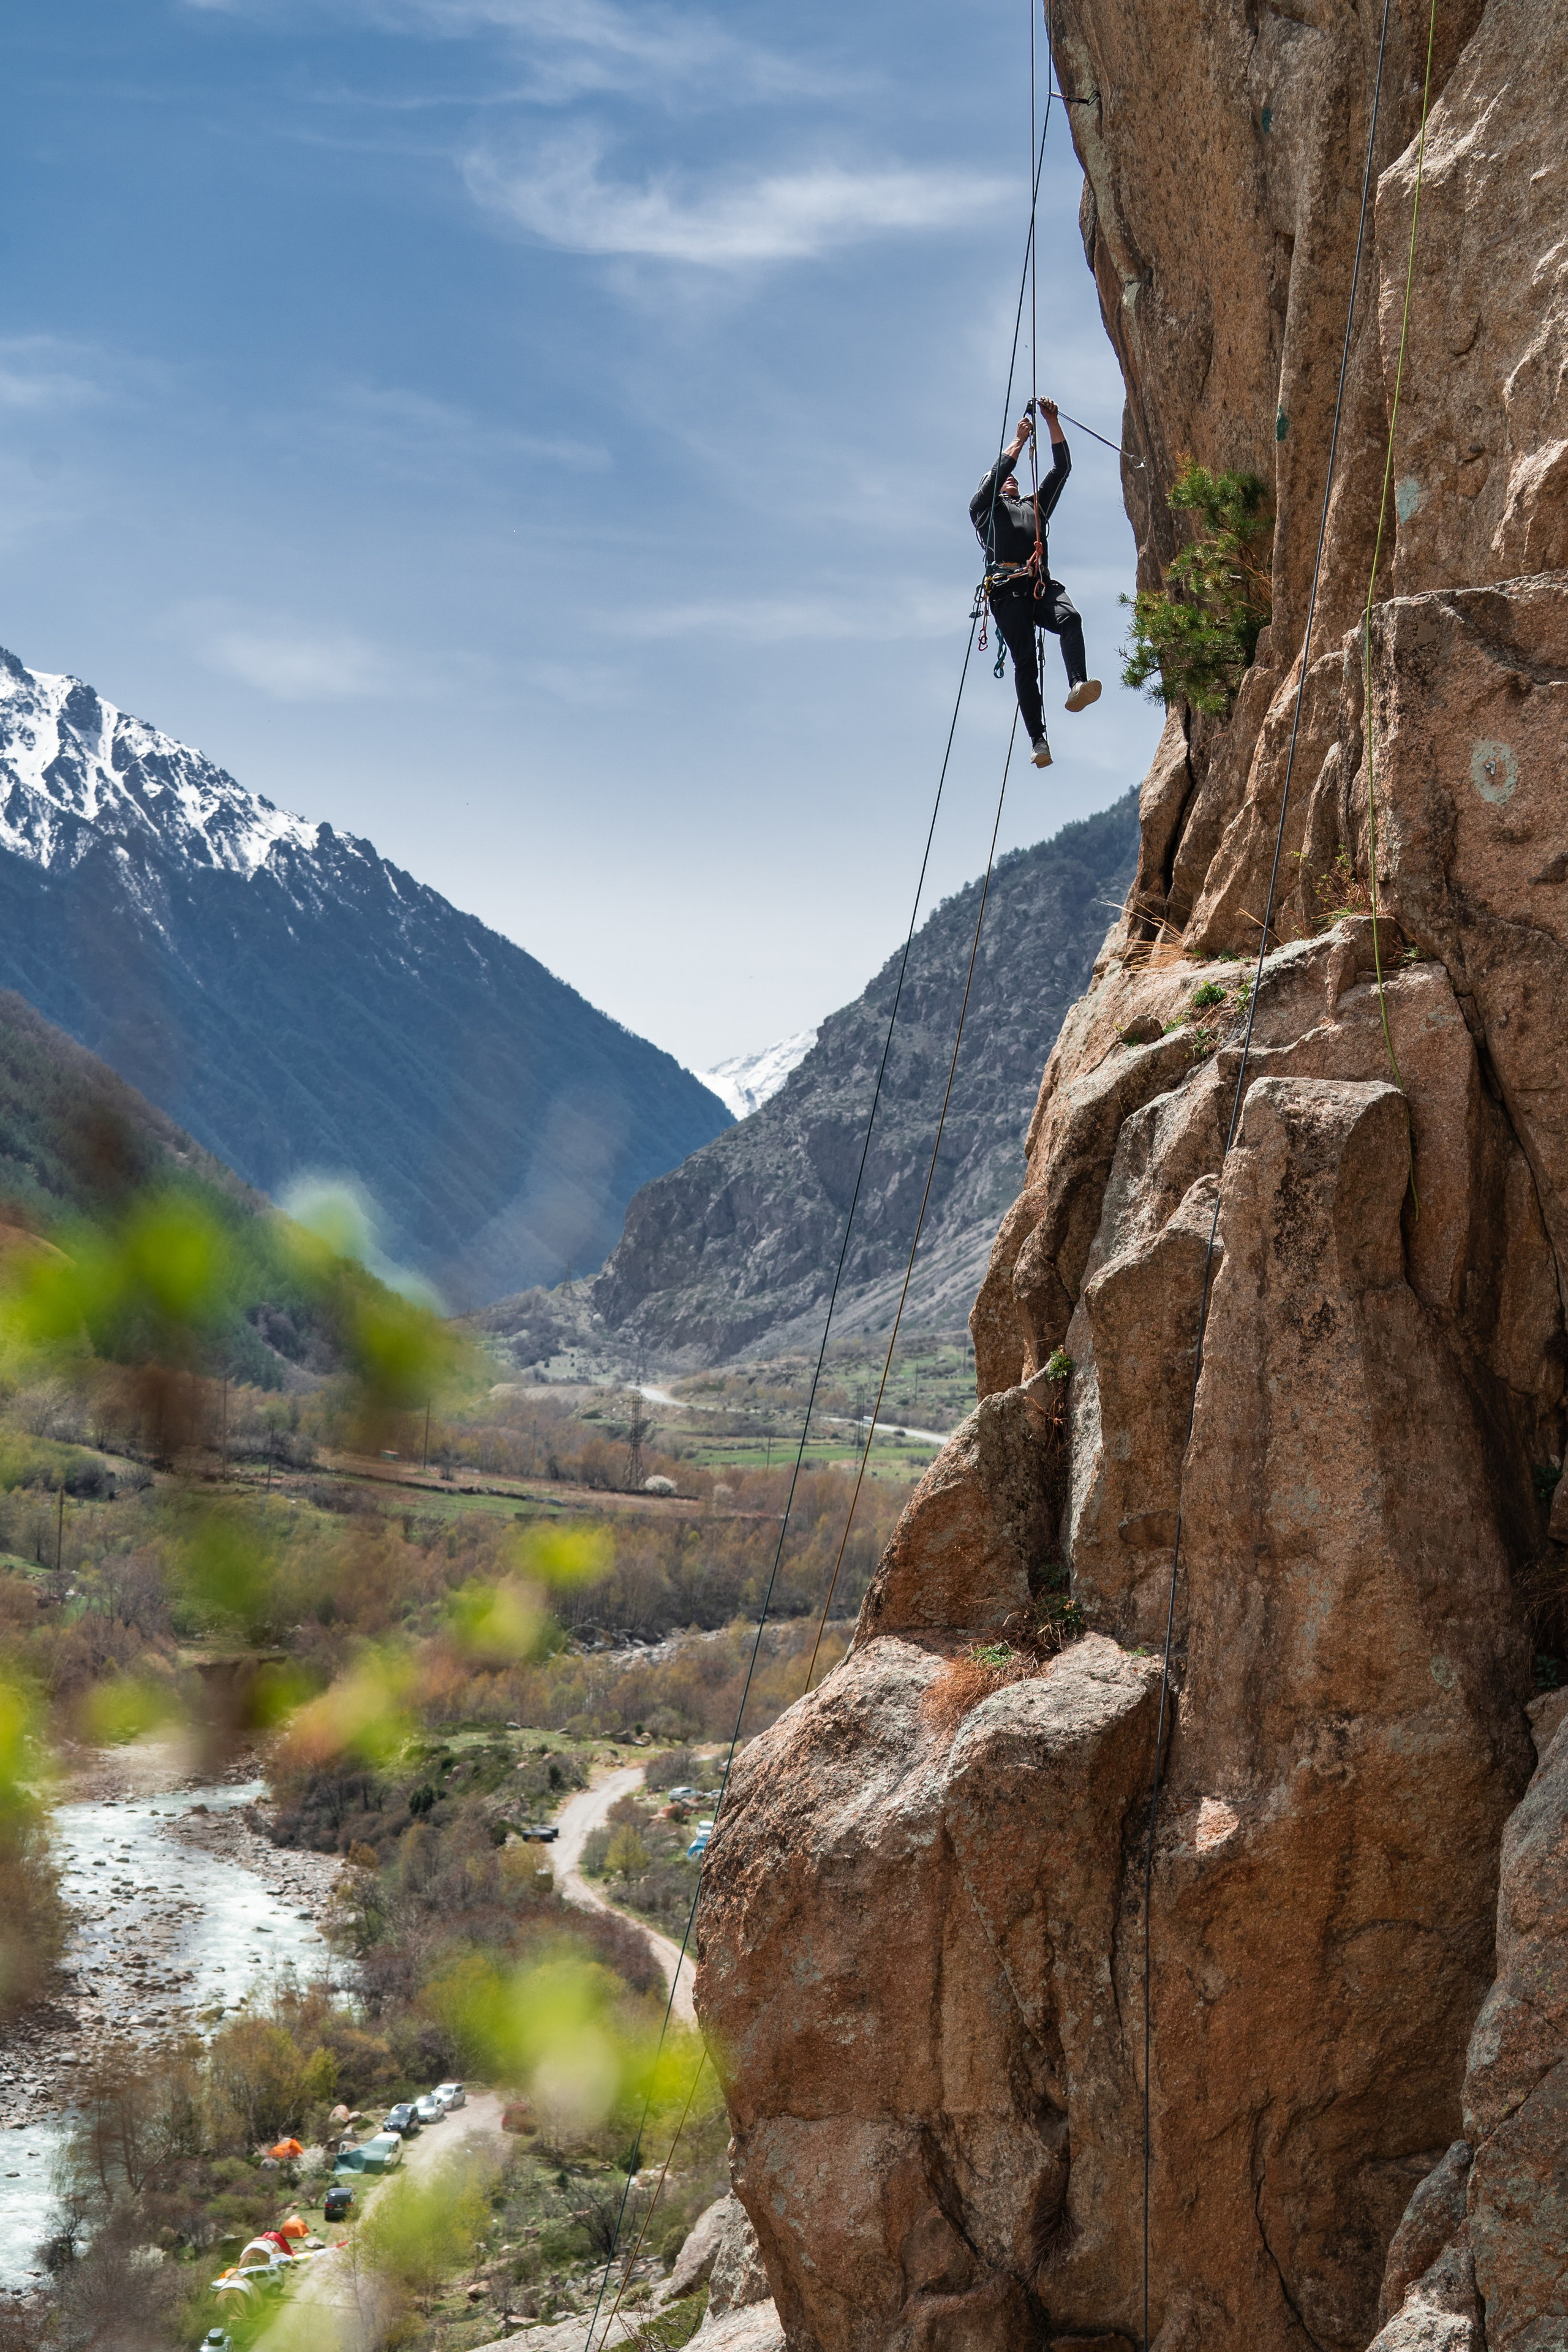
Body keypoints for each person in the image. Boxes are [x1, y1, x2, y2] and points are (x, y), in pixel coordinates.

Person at [970, 399, 1101, 767]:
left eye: (1014, 476)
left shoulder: (1034, 507)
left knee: (1070, 619)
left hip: (1038, 584)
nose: (1011, 478)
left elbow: (1063, 468)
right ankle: (1038, 739)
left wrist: (1052, 422)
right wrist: (1015, 442)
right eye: (1003, 478)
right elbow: (998, 472)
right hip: (1008, 590)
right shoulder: (984, 512)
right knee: (1026, 660)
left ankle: (1078, 683)